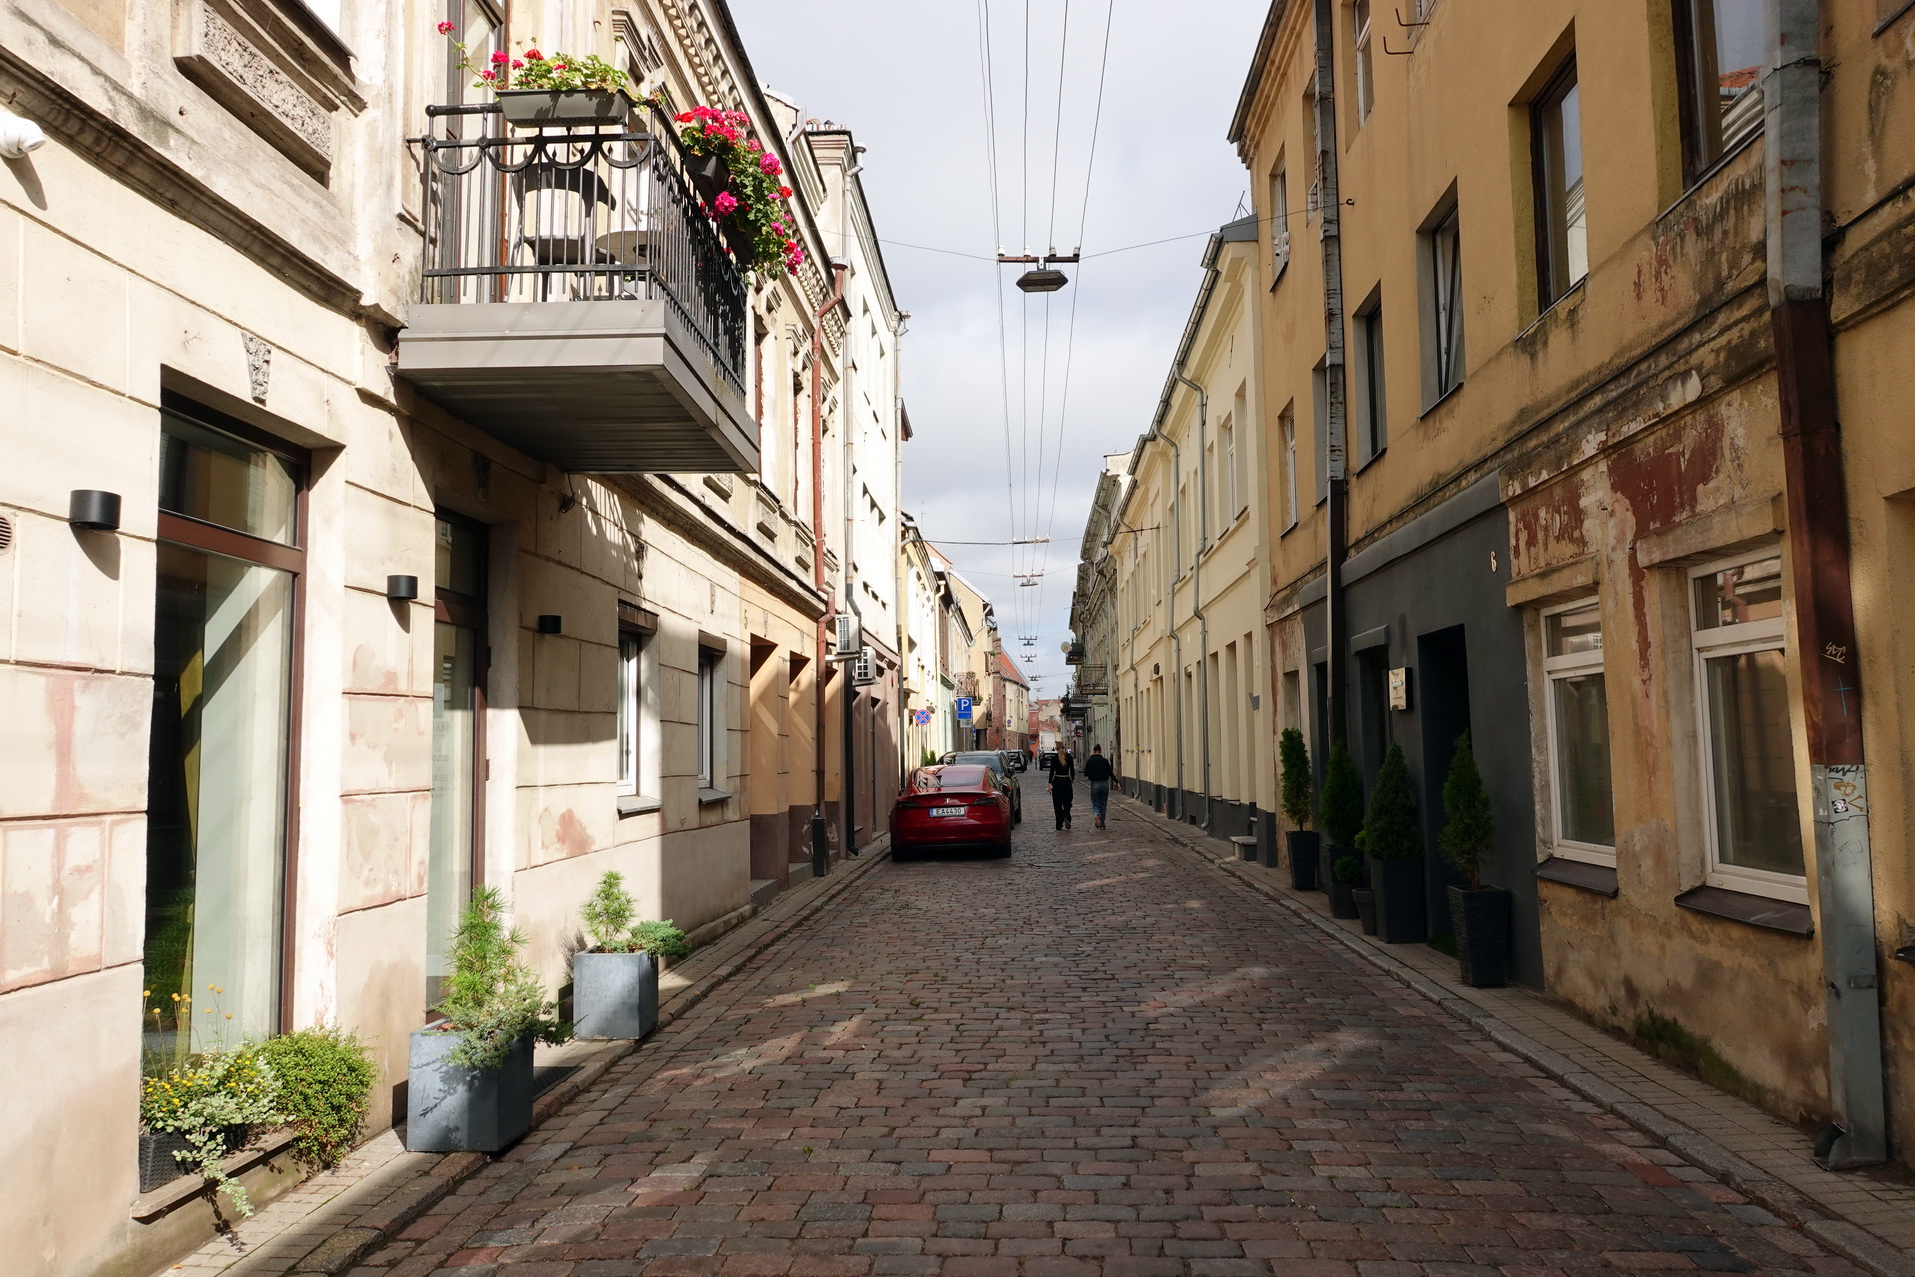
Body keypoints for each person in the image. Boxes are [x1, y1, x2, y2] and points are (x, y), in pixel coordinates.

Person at [1083, 744, 1114, 829]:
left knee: (1095, 802)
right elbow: (1110, 773)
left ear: (1093, 751)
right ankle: (1102, 824)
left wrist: (1092, 774)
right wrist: (1117, 782)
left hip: (1095, 783)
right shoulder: (1105, 761)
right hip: (1105, 784)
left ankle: (1096, 814)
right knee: (1103, 804)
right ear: (1100, 751)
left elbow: (1085, 773)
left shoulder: (1090, 760)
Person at [1048, 746, 1075, 830]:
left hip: (1057, 781)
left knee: (1057, 804)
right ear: (1064, 748)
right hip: (1066, 780)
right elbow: (1072, 770)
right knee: (1068, 801)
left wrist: (1049, 782)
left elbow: (1051, 771)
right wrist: (1072, 778)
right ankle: (1066, 815)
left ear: (1056, 749)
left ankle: (1058, 824)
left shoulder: (1054, 758)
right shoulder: (1069, 757)